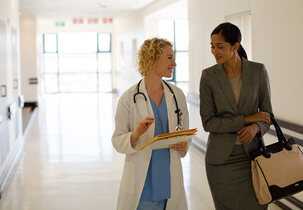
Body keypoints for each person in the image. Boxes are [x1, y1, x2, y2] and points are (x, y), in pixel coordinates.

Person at [199, 22, 273, 210]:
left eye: (220, 47)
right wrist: (247, 119)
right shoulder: (208, 76)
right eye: (212, 46)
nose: (214, 51)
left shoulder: (258, 71)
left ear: (235, 46)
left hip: (253, 158)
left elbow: (267, 116)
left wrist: (256, 127)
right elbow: (209, 123)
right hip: (220, 162)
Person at [112, 38, 190, 210]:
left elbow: (184, 134)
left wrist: (183, 145)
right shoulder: (129, 98)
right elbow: (117, 141)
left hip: (169, 180)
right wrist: (136, 133)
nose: (174, 63)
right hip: (142, 184)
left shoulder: (177, 95)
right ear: (152, 59)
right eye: (169, 58)